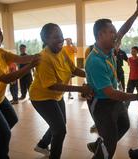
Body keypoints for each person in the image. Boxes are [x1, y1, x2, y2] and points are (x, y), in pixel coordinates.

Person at [85, 1, 138, 158]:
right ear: (99, 36)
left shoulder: (110, 48)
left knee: (124, 125)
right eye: (111, 32)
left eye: (114, 31)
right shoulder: (95, 61)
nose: (115, 34)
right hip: (100, 102)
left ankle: (100, 143)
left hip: (113, 98)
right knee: (109, 145)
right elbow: (110, 93)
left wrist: (137, 12)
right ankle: (102, 147)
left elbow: (124, 30)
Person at [29, 23, 93, 159]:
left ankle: (41, 145)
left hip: (56, 96)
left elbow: (74, 70)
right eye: (56, 37)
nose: (60, 40)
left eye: (62, 36)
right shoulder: (44, 58)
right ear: (46, 40)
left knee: (59, 124)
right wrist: (80, 88)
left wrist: (92, 74)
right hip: (41, 97)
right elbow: (53, 85)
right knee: (60, 130)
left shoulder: (62, 51)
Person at [0, 20, 39, 159]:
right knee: (4, 132)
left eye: (0, 33)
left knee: (12, 119)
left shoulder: (0, 52)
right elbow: (6, 78)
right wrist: (31, 66)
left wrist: (40, 56)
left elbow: (20, 59)